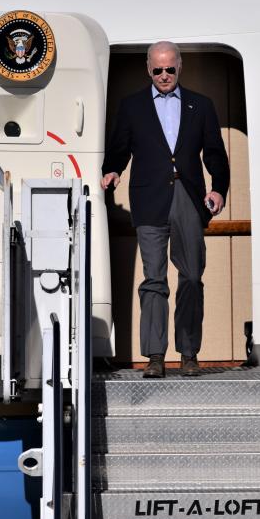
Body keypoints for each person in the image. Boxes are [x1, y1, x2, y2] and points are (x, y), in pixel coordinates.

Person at [101, 41, 230, 378]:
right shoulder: (132, 107)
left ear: (179, 67)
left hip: (189, 197)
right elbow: (119, 148)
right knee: (154, 279)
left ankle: (189, 353)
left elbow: (215, 153)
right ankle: (155, 356)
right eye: (157, 70)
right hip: (149, 200)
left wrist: (218, 188)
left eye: (169, 69)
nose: (163, 76)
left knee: (191, 276)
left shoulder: (200, 106)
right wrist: (112, 170)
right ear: (148, 69)